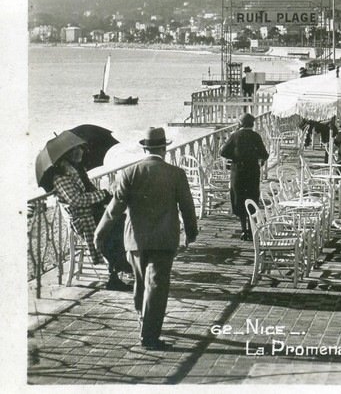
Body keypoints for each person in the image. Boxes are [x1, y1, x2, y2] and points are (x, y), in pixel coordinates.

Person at [94, 127, 199, 351]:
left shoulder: (129, 173)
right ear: (164, 149)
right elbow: (187, 207)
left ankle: (143, 319)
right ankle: (149, 336)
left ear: (145, 149)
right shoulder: (176, 174)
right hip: (164, 238)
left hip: (135, 240)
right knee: (157, 285)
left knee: (141, 282)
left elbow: (114, 209)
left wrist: (99, 232)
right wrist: (191, 233)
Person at [50, 141, 132, 291]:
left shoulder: (78, 170)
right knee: (112, 228)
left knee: (123, 221)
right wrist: (102, 194)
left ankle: (123, 264)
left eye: (80, 148)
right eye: (73, 150)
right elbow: (77, 200)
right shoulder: (61, 177)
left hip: (91, 213)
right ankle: (116, 273)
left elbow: (89, 191)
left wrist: (104, 195)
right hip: (83, 219)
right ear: (65, 156)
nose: (79, 152)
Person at [220, 113, 269, 241]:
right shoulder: (255, 136)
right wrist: (258, 157)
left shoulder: (234, 136)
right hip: (252, 172)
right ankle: (252, 228)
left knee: (239, 199)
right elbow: (265, 154)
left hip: (238, 172)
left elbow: (223, 152)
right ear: (252, 124)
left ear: (240, 123)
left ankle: (244, 230)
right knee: (252, 198)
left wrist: (235, 156)